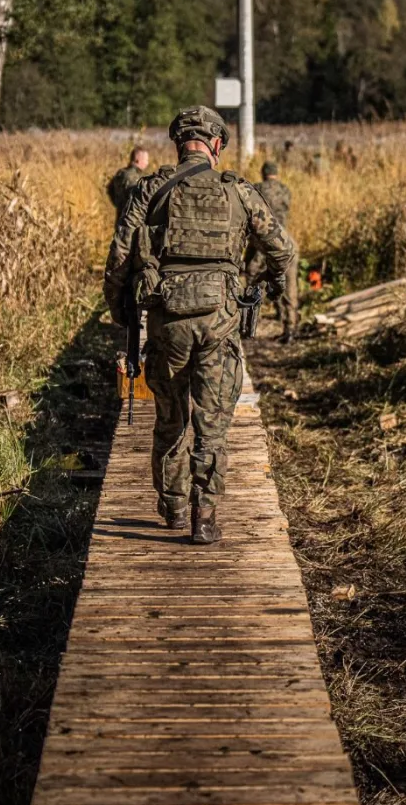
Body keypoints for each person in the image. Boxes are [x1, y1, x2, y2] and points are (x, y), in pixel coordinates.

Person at [104, 106, 296, 544]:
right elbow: (282, 250)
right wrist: (259, 284)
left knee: (171, 418)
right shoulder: (239, 191)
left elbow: (119, 259)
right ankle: (203, 515)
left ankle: (172, 506)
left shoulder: (150, 190)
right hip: (219, 321)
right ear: (216, 145)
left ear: (178, 144)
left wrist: (122, 314)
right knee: (212, 422)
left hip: (166, 323)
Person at [250, 162, 298, 342]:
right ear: (276, 174)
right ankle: (290, 327)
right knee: (290, 283)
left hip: (264, 242)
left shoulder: (257, 189)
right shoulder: (285, 190)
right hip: (285, 240)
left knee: (254, 278)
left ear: (263, 173)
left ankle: (251, 322)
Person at [106, 146, 150, 216]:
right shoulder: (133, 177)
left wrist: (118, 205)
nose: (147, 163)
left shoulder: (121, 173)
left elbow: (109, 189)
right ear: (138, 160)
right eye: (146, 160)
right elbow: (138, 199)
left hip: (121, 218)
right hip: (132, 221)